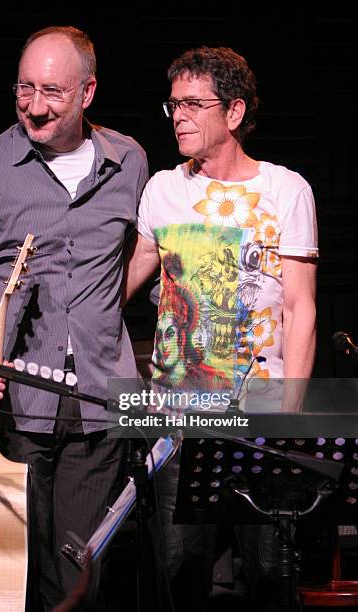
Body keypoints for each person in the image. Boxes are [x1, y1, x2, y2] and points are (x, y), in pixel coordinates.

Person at [0, 26, 148, 611]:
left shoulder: (128, 160)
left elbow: (136, 258)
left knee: (80, 582)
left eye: (52, 91)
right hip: (12, 409)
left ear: (88, 92)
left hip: (100, 406)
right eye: (24, 88)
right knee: (11, 584)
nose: (34, 105)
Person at [124, 46, 318, 610]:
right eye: (173, 104)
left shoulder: (286, 190)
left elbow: (300, 307)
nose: (178, 115)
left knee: (266, 570)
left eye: (192, 104)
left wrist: (291, 413)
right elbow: (127, 279)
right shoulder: (163, 188)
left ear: (233, 113)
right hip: (178, 418)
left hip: (258, 412)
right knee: (179, 565)